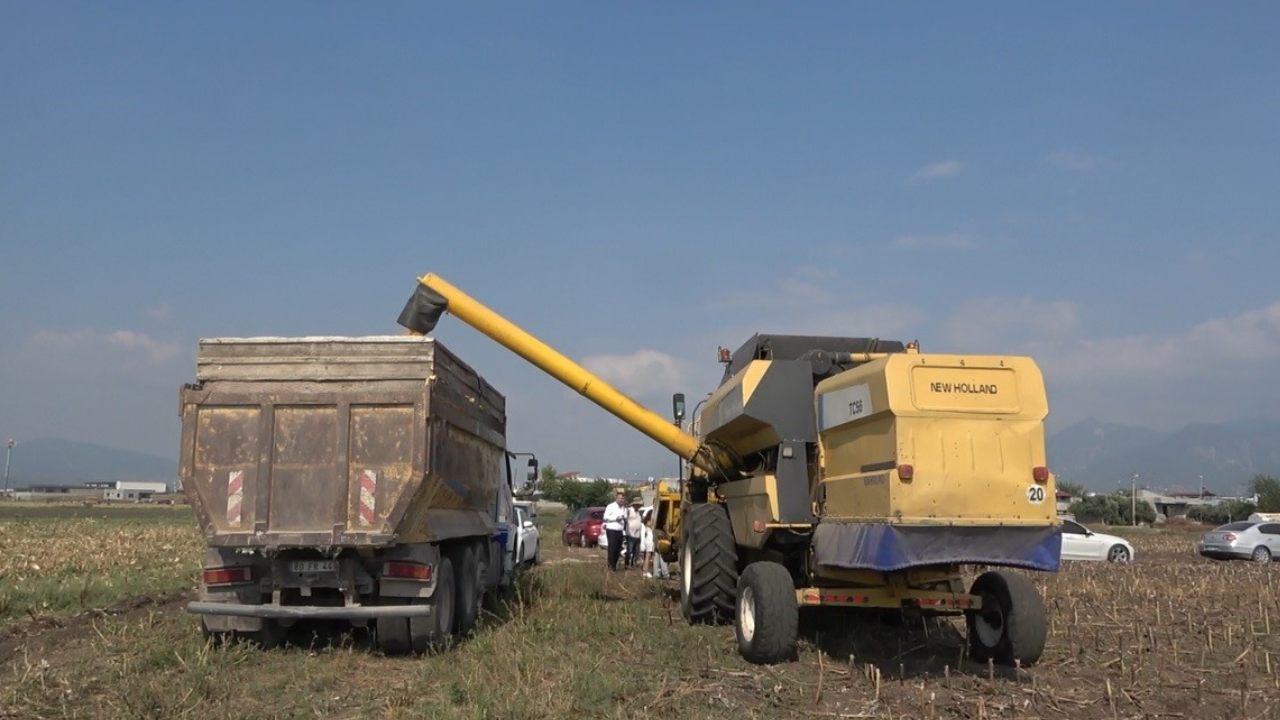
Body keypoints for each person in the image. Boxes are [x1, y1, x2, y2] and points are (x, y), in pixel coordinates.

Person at [601, 490, 628, 571]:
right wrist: (615, 519)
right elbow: (605, 518)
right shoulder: (611, 506)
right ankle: (611, 566)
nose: (621, 500)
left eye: (623, 499)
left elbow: (625, 517)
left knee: (618, 549)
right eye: (620, 498)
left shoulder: (624, 508)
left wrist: (624, 518)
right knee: (612, 548)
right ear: (616, 498)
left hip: (620, 531)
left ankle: (614, 565)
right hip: (612, 530)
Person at [624, 500, 643, 568]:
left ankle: (633, 563)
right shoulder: (629, 510)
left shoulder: (638, 512)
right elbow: (625, 519)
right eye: (638, 505)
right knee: (630, 550)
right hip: (630, 533)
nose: (639, 506)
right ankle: (627, 564)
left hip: (637, 534)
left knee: (636, 550)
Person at [639, 507, 656, 578]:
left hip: (649, 537)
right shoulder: (648, 521)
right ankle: (645, 571)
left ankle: (647, 570)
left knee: (650, 555)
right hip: (650, 537)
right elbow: (651, 525)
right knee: (648, 555)